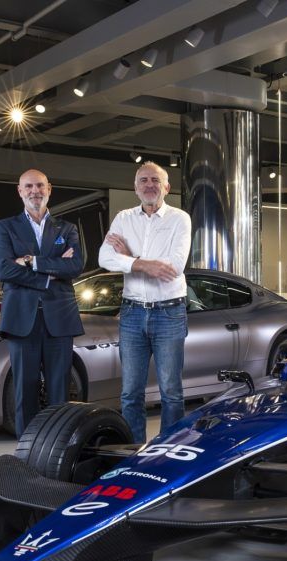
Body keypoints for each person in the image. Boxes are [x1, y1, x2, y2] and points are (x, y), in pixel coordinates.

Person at [98, 162, 191, 443]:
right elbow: (104, 258)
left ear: (167, 187)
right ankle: (134, 451)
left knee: (171, 392)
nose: (149, 185)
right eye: (144, 180)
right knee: (130, 393)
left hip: (169, 312)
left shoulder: (180, 219)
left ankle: (168, 450)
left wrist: (128, 258)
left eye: (155, 180)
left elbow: (173, 267)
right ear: (135, 187)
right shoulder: (123, 218)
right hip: (132, 313)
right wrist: (143, 263)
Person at [0, 168, 85, 436]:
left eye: (40, 186)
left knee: (60, 392)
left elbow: (75, 266)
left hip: (60, 319)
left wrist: (31, 261)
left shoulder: (67, 229)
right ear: (20, 191)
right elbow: (4, 270)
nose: (35, 191)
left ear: (49, 189)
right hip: (22, 320)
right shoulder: (5, 227)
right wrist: (49, 274)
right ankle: (25, 450)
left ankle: (56, 447)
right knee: (25, 390)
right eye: (29, 186)